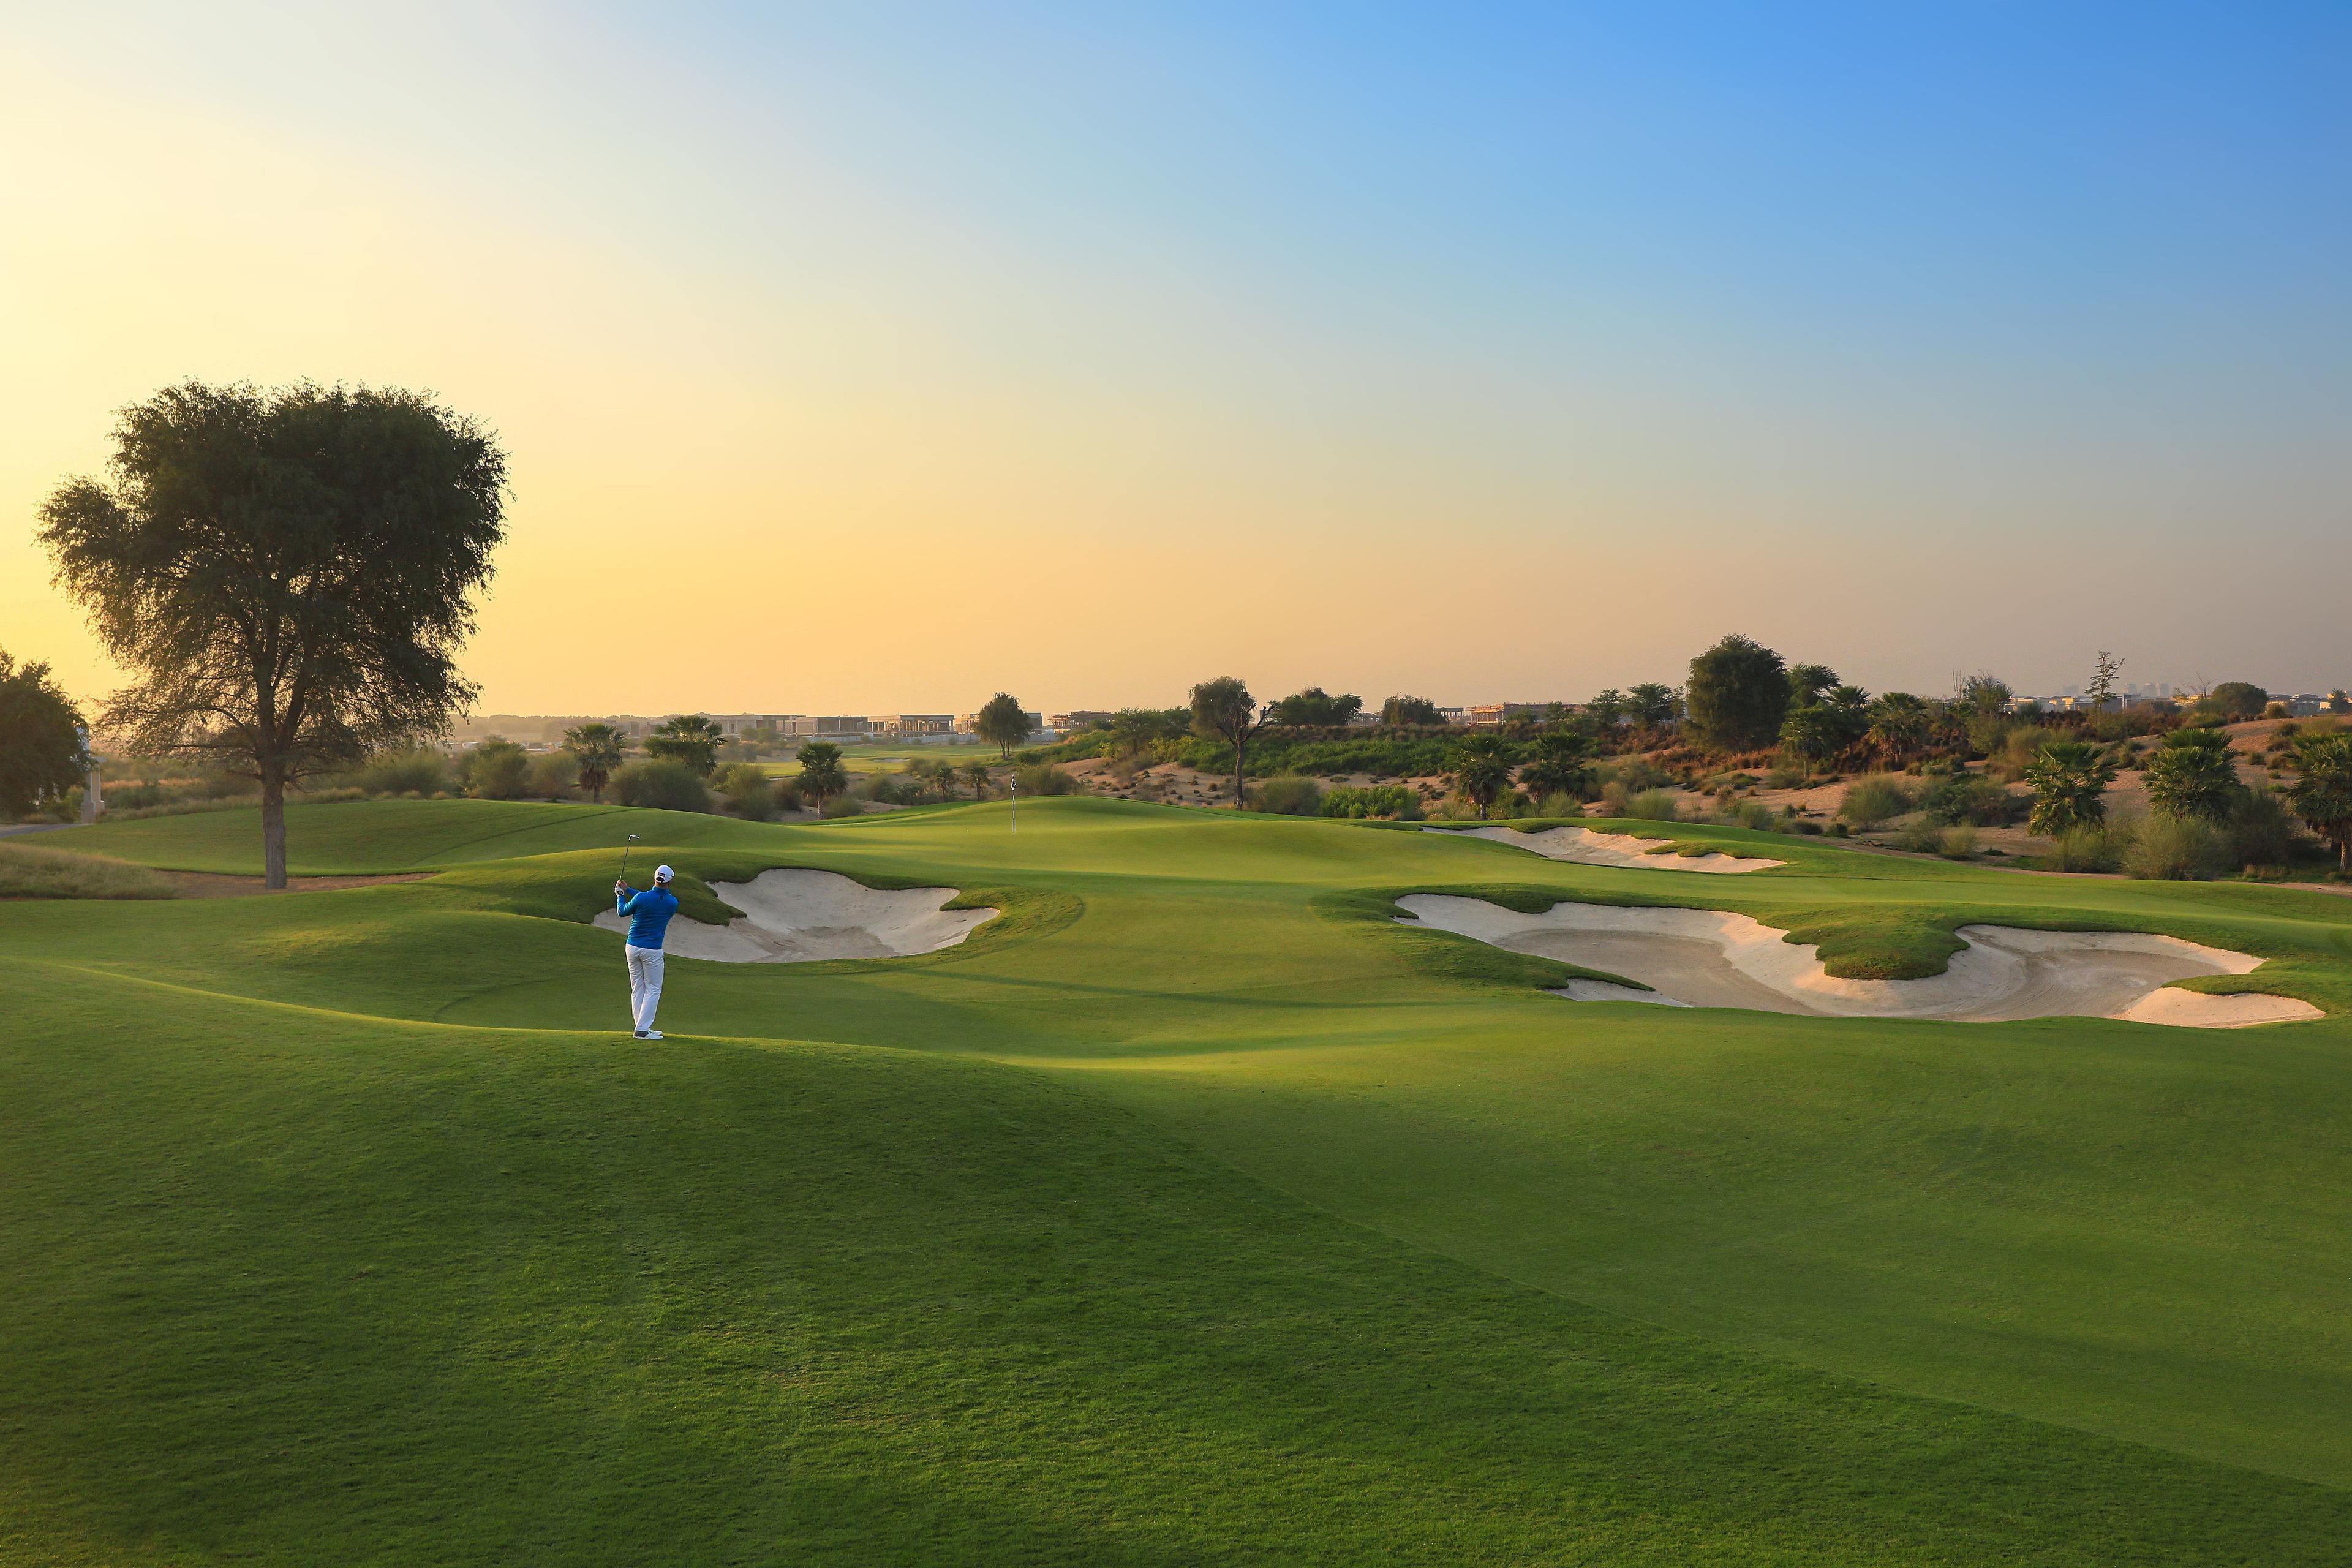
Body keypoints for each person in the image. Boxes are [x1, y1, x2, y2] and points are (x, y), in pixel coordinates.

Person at [614, 863, 680, 1039]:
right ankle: (642, 1030)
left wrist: (621, 894)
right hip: (652, 950)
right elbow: (654, 898)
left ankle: (641, 1026)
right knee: (653, 989)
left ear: (654, 878)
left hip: (632, 947)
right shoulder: (672, 903)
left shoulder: (641, 898)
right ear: (670, 882)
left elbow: (622, 911)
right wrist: (627, 890)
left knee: (638, 987)